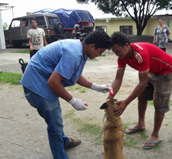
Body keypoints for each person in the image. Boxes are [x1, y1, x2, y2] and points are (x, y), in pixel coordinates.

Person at [21, 30, 111, 159]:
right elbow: (53, 82)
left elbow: (73, 73)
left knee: (56, 119)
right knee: (55, 124)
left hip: (42, 82)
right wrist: (73, 100)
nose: (100, 55)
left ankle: (64, 141)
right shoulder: (73, 54)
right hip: (36, 87)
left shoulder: (80, 49)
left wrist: (95, 86)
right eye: (100, 52)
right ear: (92, 46)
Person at [109, 31, 172, 150]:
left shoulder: (140, 54)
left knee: (159, 102)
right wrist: (109, 98)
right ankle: (141, 124)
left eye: (118, 51)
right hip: (153, 70)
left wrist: (126, 102)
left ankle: (155, 135)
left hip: (167, 70)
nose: (117, 55)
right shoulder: (123, 56)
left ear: (126, 45)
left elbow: (142, 83)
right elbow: (118, 78)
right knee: (142, 96)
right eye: (114, 52)